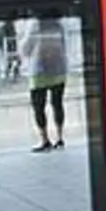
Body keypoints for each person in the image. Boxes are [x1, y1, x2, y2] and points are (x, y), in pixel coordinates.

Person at [21, 16, 69, 151]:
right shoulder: (58, 23)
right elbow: (64, 45)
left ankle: (45, 140)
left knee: (39, 107)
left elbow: (26, 49)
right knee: (57, 104)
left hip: (39, 70)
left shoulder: (34, 23)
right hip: (59, 69)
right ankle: (60, 139)